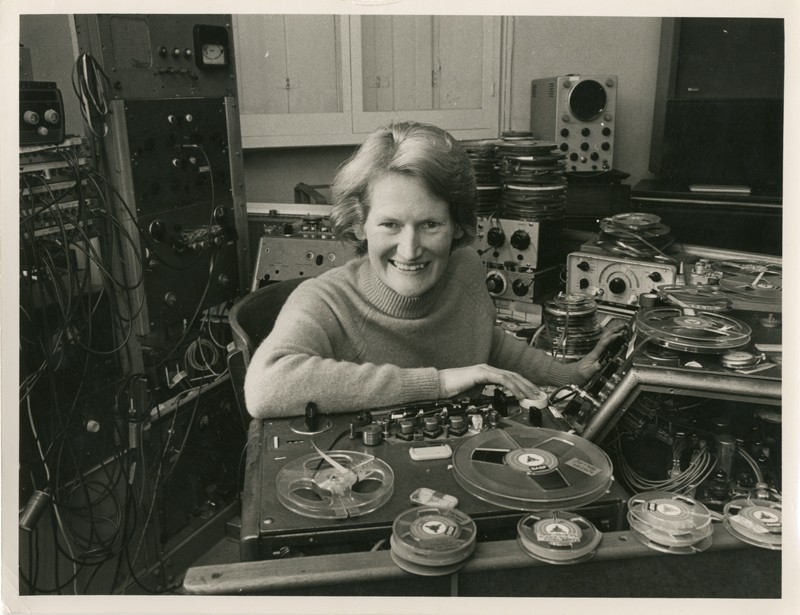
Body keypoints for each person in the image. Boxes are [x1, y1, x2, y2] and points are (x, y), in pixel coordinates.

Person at [244, 121, 626, 418]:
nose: (410, 251)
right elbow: (265, 388)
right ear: (360, 223)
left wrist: (571, 374)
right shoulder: (322, 301)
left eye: (430, 225)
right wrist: (438, 382)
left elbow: (484, 341)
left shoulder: (465, 267)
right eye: (390, 225)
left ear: (458, 225)